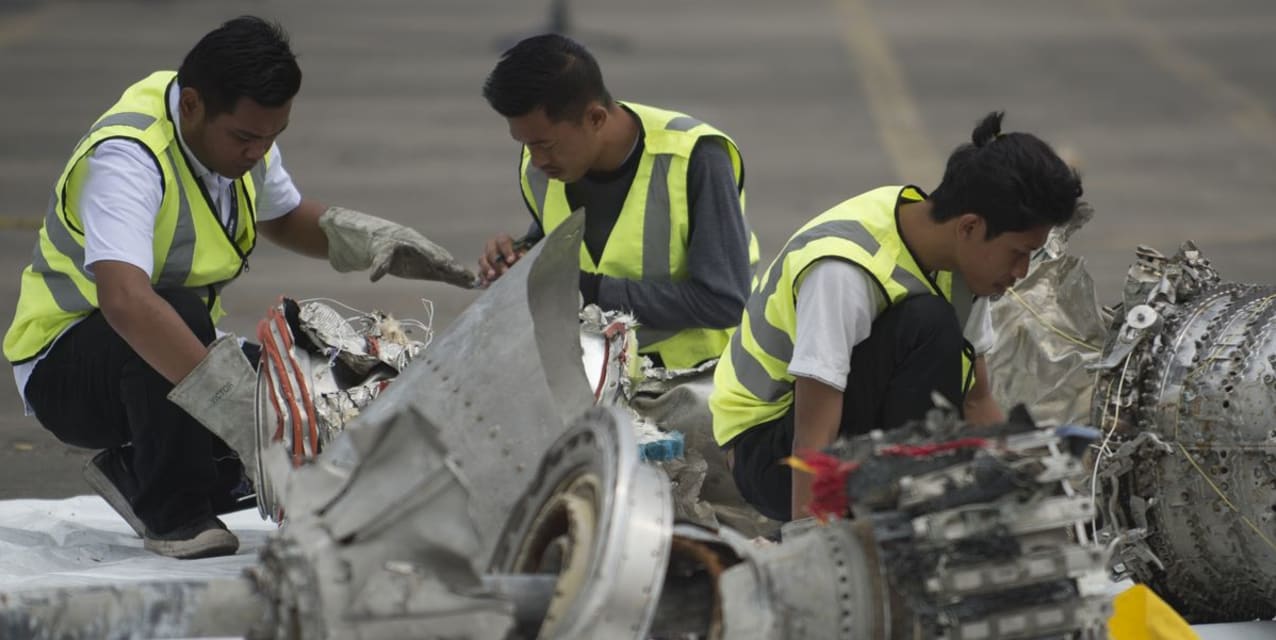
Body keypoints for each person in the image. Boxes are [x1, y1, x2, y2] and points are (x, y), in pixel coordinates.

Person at [3, 16, 475, 559]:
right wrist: (237, 411)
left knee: (313, 392)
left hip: (168, 346)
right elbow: (126, 302)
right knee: (201, 345)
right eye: (247, 138)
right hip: (67, 370)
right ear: (193, 106)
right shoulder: (128, 157)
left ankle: (141, 470)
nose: (258, 153)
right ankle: (171, 511)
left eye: (272, 138)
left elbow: (286, 217)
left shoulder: (236, 133)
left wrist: (377, 242)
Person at [710, 111, 1083, 522]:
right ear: (970, 227)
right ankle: (909, 514)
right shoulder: (843, 271)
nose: (1021, 273)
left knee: (934, 334)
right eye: (1019, 253)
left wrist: (1035, 495)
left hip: (840, 433)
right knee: (927, 324)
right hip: (771, 454)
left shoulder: (960, 262)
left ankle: (919, 501)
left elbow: (977, 399)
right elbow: (814, 432)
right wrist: (811, 550)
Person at [478, 34, 758, 370]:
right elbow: (567, 238)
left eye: (546, 145)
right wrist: (521, 258)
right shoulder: (542, 168)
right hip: (598, 373)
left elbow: (723, 301)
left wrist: (581, 289)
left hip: (701, 379)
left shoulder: (696, 158)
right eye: (524, 142)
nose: (536, 160)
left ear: (596, 119)